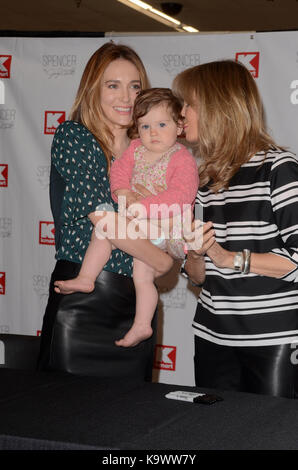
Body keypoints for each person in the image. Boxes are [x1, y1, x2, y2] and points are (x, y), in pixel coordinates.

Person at [37, 42, 174, 380]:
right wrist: (160, 261)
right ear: (92, 90)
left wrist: (168, 246)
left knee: (130, 425)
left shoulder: (153, 152)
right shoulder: (75, 136)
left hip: (136, 308)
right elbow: (104, 219)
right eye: (112, 85)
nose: (126, 97)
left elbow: (171, 227)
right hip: (81, 305)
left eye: (134, 86)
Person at [173, 59, 298, 398]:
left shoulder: (278, 167)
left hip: (275, 343)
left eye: (189, 104)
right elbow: (197, 277)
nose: (181, 113)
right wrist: (197, 255)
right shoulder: (202, 181)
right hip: (212, 338)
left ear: (218, 107)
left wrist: (232, 259)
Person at [54, 88, 199, 348]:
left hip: (164, 226)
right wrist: (121, 190)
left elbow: (181, 195)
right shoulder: (135, 149)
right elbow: (119, 172)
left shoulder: (182, 158)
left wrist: (143, 207)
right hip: (136, 225)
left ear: (179, 126)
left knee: (128, 258)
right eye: (144, 126)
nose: (152, 132)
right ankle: (91, 281)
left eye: (161, 124)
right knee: (113, 245)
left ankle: (140, 320)